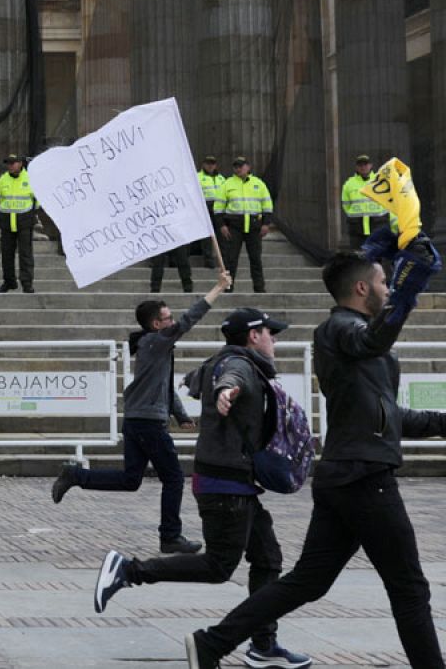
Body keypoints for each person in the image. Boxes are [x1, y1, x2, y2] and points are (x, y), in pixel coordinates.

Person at [183, 244, 446, 669]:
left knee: (309, 581)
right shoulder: (339, 329)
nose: (385, 288)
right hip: (364, 478)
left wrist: (442, 422)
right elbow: (374, 338)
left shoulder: (358, 344)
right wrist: (406, 294)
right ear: (362, 289)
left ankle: (212, 643)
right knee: (410, 588)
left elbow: (388, 416)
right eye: (382, 283)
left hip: (347, 476)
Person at [94, 305, 311, 669]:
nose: (274, 339)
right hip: (225, 486)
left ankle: (263, 644)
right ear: (253, 335)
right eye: (269, 333)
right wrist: (228, 392)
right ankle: (129, 571)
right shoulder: (238, 364)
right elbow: (231, 377)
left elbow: (201, 378)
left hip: (235, 483)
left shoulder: (226, 360)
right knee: (218, 566)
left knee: (268, 558)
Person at [53, 269, 233, 554]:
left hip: (138, 421)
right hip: (148, 424)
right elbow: (189, 320)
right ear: (155, 324)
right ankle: (170, 536)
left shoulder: (155, 347)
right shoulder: (156, 341)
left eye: (171, 317)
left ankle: (76, 475)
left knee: (130, 479)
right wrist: (219, 287)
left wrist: (181, 416)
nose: (172, 322)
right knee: (173, 478)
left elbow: (163, 387)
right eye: (167, 318)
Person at [215, 157, 275, 293]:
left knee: (255, 259)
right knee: (230, 260)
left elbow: (267, 205)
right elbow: (218, 208)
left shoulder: (258, 184)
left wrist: (266, 224)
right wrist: (222, 225)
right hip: (234, 227)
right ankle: (228, 287)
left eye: (241, 166)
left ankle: (259, 288)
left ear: (248, 167)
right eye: (235, 166)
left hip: (254, 227)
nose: (238, 169)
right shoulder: (227, 184)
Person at [0, 154, 36, 293]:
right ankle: (9, 282)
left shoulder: (30, 178)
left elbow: (37, 199)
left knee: (25, 254)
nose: (10, 165)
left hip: (24, 220)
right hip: (7, 221)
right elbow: (2, 199)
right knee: (6, 254)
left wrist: (31, 214)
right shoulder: (2, 179)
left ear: (20, 164)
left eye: (13, 163)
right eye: (8, 163)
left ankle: (27, 283)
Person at [339, 155, 387, 250]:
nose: (363, 167)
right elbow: (346, 205)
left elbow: (388, 201)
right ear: (356, 167)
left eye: (365, 164)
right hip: (357, 227)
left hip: (377, 225)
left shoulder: (379, 181)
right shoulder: (349, 184)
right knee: (358, 256)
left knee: (378, 255)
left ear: (370, 165)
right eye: (360, 165)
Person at [195, 157, 226, 268]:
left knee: (221, 234)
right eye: (208, 163)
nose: (210, 166)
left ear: (216, 165)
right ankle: (208, 260)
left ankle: (223, 259)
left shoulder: (221, 178)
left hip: (219, 208)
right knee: (207, 236)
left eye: (212, 163)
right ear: (203, 164)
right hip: (205, 207)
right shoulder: (197, 177)